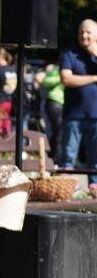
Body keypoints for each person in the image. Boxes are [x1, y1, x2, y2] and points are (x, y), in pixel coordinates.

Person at [59, 19, 97, 189]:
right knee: (68, 157)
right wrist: (94, 78)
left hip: (95, 116)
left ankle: (94, 190)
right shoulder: (69, 54)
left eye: (88, 32)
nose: (84, 35)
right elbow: (66, 78)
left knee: (95, 158)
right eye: (81, 31)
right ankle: (64, 190)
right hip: (74, 116)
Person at [39, 63, 64, 158]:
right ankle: (54, 156)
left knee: (59, 131)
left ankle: (55, 155)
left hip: (66, 103)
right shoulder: (56, 69)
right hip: (55, 101)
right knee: (58, 131)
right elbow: (45, 81)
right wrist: (62, 78)